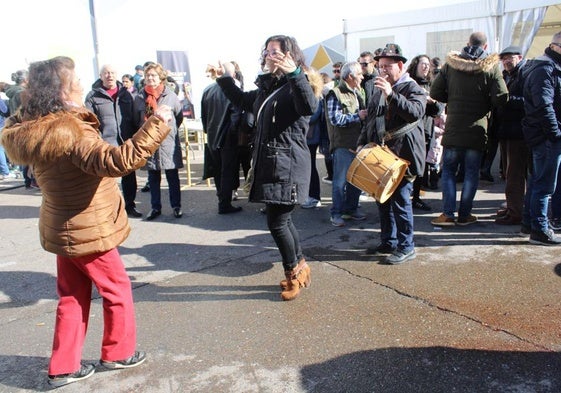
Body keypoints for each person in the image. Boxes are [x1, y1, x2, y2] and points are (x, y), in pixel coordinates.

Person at [1, 56, 173, 387]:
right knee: (117, 289)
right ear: (60, 89)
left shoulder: (36, 125)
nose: (81, 83)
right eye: (74, 79)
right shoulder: (69, 129)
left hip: (63, 226)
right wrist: (157, 124)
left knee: (71, 295)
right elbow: (117, 161)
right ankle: (118, 352)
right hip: (86, 228)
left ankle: (64, 366)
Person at [213, 34, 318, 301]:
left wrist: (294, 73)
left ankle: (293, 272)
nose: (270, 56)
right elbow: (241, 100)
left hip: (288, 165)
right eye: (268, 51)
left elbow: (308, 106)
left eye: (276, 52)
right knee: (282, 220)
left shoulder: (298, 83)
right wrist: (225, 77)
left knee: (278, 222)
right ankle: (299, 266)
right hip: (274, 164)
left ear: (290, 55)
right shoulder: (268, 88)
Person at [357, 43, 427, 264]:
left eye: (387, 66)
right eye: (380, 66)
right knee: (382, 200)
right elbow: (371, 119)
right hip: (382, 155)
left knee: (400, 201)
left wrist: (391, 94)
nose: (383, 70)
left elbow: (415, 112)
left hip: (403, 157)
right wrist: (361, 143)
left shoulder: (413, 88)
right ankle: (388, 241)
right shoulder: (379, 88)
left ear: (400, 65)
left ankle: (407, 246)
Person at [430, 32, 508, 226]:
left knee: (448, 172)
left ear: (467, 44)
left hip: (454, 128)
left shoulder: (451, 65)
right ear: (486, 46)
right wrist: (485, 104)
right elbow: (501, 97)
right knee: (471, 173)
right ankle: (465, 215)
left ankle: (448, 214)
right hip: (477, 130)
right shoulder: (491, 67)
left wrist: (454, 100)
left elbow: (435, 92)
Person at [85, 64, 142, 218]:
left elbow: (135, 118)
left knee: (129, 174)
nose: (109, 75)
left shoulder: (126, 94)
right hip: (106, 142)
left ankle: (130, 205)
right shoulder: (93, 96)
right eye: (106, 73)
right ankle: (107, 209)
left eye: (112, 72)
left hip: (126, 140)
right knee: (105, 179)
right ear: (101, 76)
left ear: (117, 75)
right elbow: (89, 122)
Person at [520, 32, 561, 245]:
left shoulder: (549, 68)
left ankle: (531, 223)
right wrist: (555, 133)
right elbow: (544, 105)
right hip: (546, 136)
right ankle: (539, 229)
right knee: (543, 185)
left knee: (538, 182)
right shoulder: (545, 69)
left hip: (545, 135)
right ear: (554, 46)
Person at [133, 62, 184, 220]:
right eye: (148, 75)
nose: (150, 78)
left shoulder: (170, 96)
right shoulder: (141, 97)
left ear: (161, 77)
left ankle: (176, 206)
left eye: (153, 75)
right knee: (153, 177)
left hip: (167, 142)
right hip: (150, 142)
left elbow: (179, 117)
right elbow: (137, 119)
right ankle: (156, 208)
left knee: (172, 175)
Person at [325, 61, 368, 227]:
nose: (362, 77)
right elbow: (335, 119)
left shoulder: (359, 92)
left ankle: (351, 209)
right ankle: (336, 213)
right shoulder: (335, 93)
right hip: (343, 145)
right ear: (350, 77)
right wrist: (358, 116)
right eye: (359, 74)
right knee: (340, 182)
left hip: (358, 144)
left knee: (356, 180)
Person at [201, 62, 243, 214]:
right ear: (232, 74)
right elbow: (236, 114)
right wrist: (233, 134)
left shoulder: (207, 91)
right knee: (227, 171)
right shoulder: (232, 91)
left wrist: (208, 131)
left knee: (218, 171)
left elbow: (204, 116)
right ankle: (225, 203)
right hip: (227, 137)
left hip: (213, 136)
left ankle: (222, 200)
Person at [406, 54, 445, 211]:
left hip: (426, 131)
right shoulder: (408, 83)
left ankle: (415, 198)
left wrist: (431, 101)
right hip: (409, 130)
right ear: (415, 65)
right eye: (422, 63)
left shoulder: (432, 85)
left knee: (421, 167)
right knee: (407, 165)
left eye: (428, 64)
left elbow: (438, 110)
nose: (426, 66)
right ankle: (403, 197)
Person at [494, 46, 528, 226]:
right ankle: (512, 208)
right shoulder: (507, 75)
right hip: (507, 131)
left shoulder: (525, 73)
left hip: (519, 133)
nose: (506, 61)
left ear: (519, 57)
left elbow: (528, 101)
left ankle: (515, 212)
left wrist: (506, 100)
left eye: (509, 58)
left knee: (514, 175)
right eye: (504, 59)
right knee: (509, 174)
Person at [302, 68, 325, 209]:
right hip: (308, 137)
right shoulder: (310, 94)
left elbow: (313, 116)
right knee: (307, 167)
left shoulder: (315, 95)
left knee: (310, 168)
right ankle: (310, 196)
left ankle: (314, 197)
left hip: (311, 138)